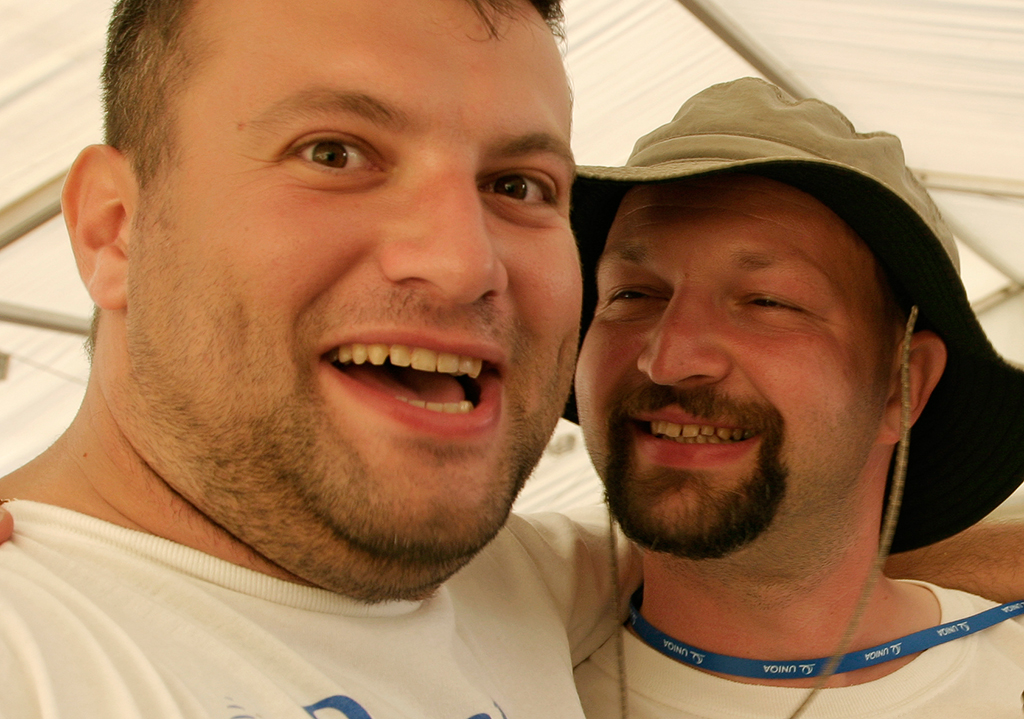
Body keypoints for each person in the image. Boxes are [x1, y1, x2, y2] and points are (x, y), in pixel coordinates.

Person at [0, 1, 635, 717]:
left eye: (519, 186)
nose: (463, 264)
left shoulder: (533, 589)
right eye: (333, 154)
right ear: (114, 230)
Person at [569, 77, 1024, 718]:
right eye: (631, 295)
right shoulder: (490, 675)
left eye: (767, 302)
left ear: (903, 387)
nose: (669, 358)